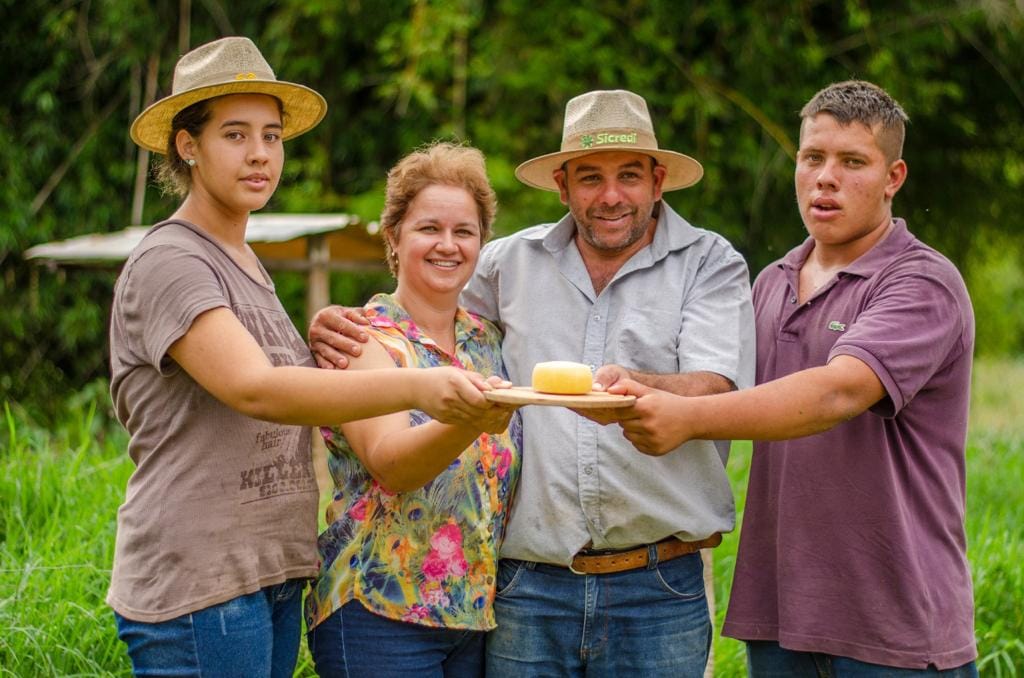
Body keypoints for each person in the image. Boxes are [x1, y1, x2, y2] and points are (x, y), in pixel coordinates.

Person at [310, 89, 756, 676]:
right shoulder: (508, 263)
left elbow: (718, 386)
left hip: (657, 589)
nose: (611, 195)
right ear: (563, 185)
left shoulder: (708, 262)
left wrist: (641, 386)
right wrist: (336, 323)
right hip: (528, 588)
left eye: (629, 175)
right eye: (590, 177)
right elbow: (422, 306)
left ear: (658, 179)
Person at [108, 37, 507, 677]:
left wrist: (313, 331)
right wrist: (417, 388)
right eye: (235, 135)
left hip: (267, 572)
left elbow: (269, 373)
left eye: (271, 135)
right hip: (201, 581)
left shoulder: (243, 263)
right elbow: (256, 388)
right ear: (188, 145)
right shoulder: (172, 259)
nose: (260, 154)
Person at [593, 81, 978, 675]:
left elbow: (837, 390)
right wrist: (636, 386)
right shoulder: (772, 281)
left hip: (894, 624)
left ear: (893, 177)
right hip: (780, 618)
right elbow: (740, 394)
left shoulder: (920, 282)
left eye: (853, 162)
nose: (826, 178)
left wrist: (686, 420)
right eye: (812, 158)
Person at [304, 141, 522, 677]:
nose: (447, 245)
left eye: (463, 232)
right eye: (429, 228)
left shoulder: (486, 340)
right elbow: (392, 464)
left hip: (469, 614)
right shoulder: (364, 340)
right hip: (378, 608)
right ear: (394, 236)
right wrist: (469, 422)